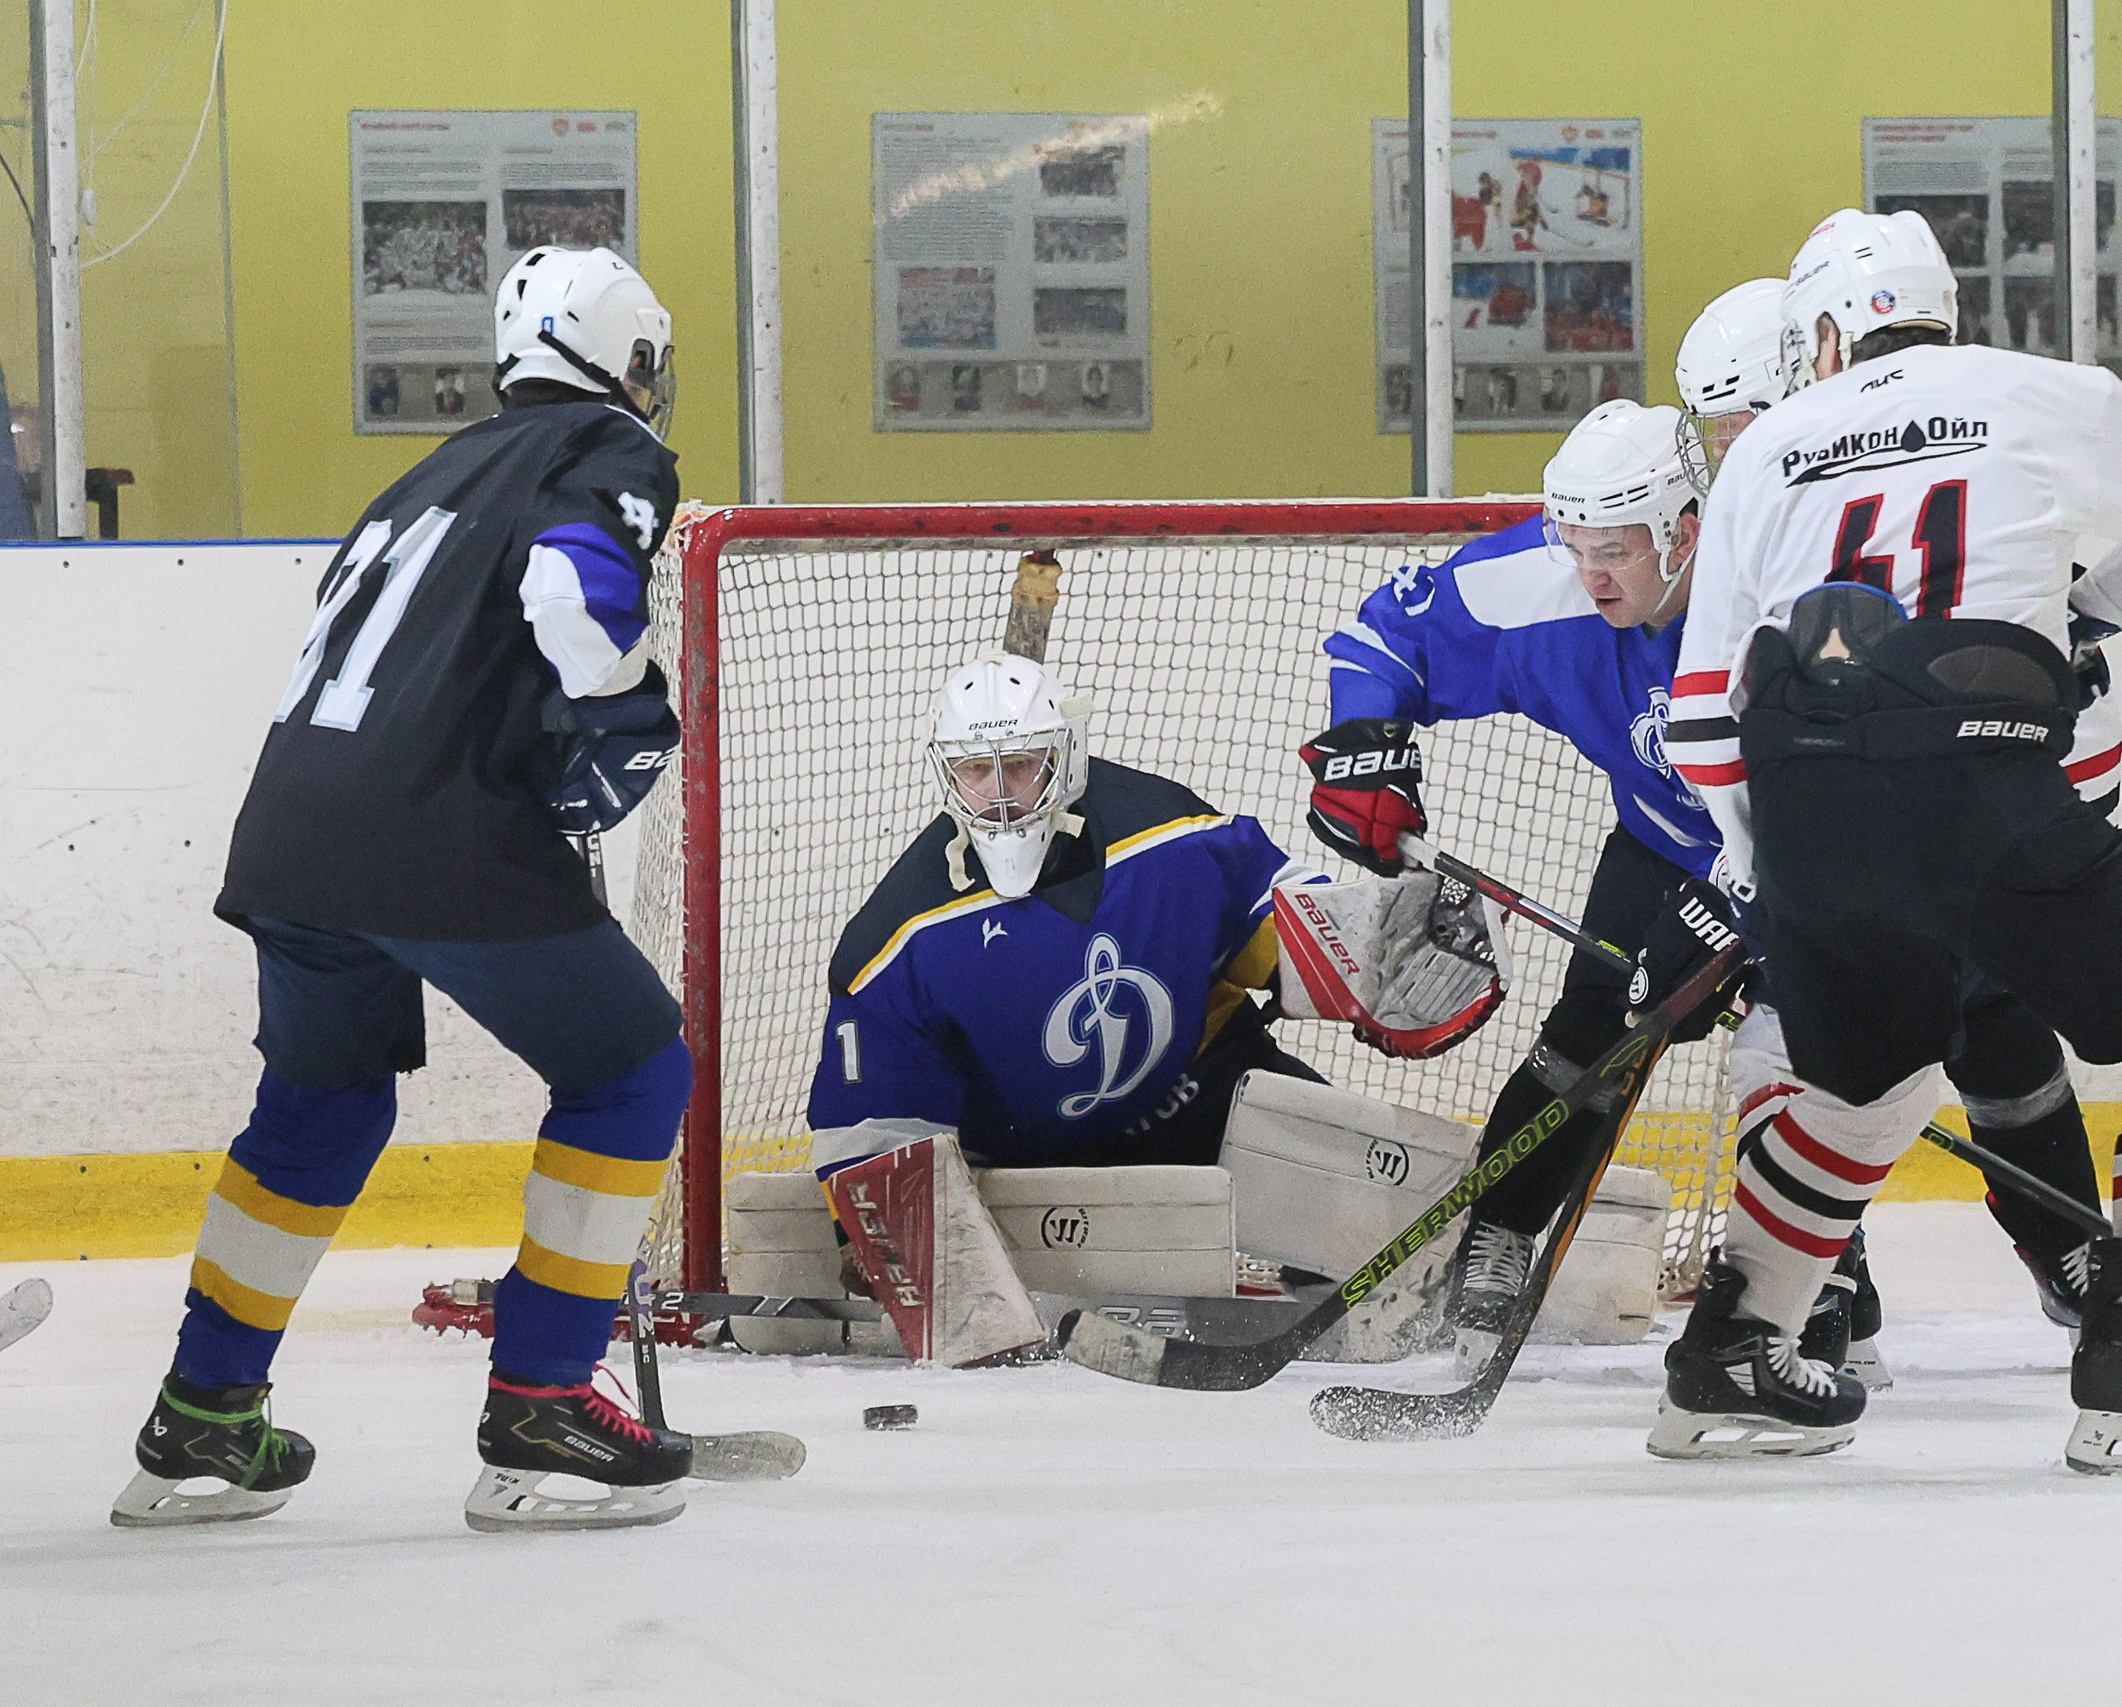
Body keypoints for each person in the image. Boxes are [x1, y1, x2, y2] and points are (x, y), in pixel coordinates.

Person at [1651, 209, 2122, 1472]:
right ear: (1942, 310)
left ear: (1822, 333)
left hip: (1804, 805)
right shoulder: (2052, 394)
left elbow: (1706, 722)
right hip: (1982, 782)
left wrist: (1783, 873)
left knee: (1858, 1088)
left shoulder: (1767, 445)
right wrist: (2085, 620)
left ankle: (1730, 1358)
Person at [114, 246, 696, 1533]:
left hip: (292, 828)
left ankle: (203, 1417)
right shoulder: (604, 450)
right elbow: (570, 593)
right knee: (635, 1071)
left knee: (321, 1107)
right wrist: (618, 714)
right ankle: (543, 1403)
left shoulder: (429, 471)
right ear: (634, 360)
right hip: (432, 829)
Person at [1307, 392, 1740, 1376]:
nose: (1588, 574)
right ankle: (1496, 1239)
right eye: (1573, 542)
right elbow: (1385, 636)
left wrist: (1744, 912)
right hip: (1667, 846)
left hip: (1811, 850)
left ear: (1685, 530)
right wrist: (1361, 745)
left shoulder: (1773, 591)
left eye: (1615, 550)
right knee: (1587, 1034)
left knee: (1812, 1056)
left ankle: (1834, 1284)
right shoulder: (1547, 584)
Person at [804, 654, 1505, 1182]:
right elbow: (876, 1130)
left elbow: (1285, 926)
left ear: (1065, 753)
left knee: (1424, 1204)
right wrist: (884, 1231)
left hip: (1210, 1099)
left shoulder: (1168, 832)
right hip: (1032, 1176)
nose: (1001, 794)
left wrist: (1377, 964)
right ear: (945, 772)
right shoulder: (898, 938)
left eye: (1020, 764)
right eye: (975, 771)